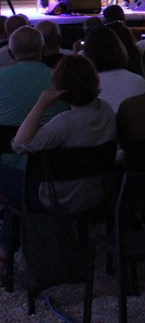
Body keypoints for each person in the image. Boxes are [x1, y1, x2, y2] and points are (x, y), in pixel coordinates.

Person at [12, 55, 117, 214]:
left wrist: (41, 105)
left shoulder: (64, 123)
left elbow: (19, 144)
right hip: (97, 194)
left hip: (59, 200)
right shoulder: (106, 111)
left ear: (59, 86)